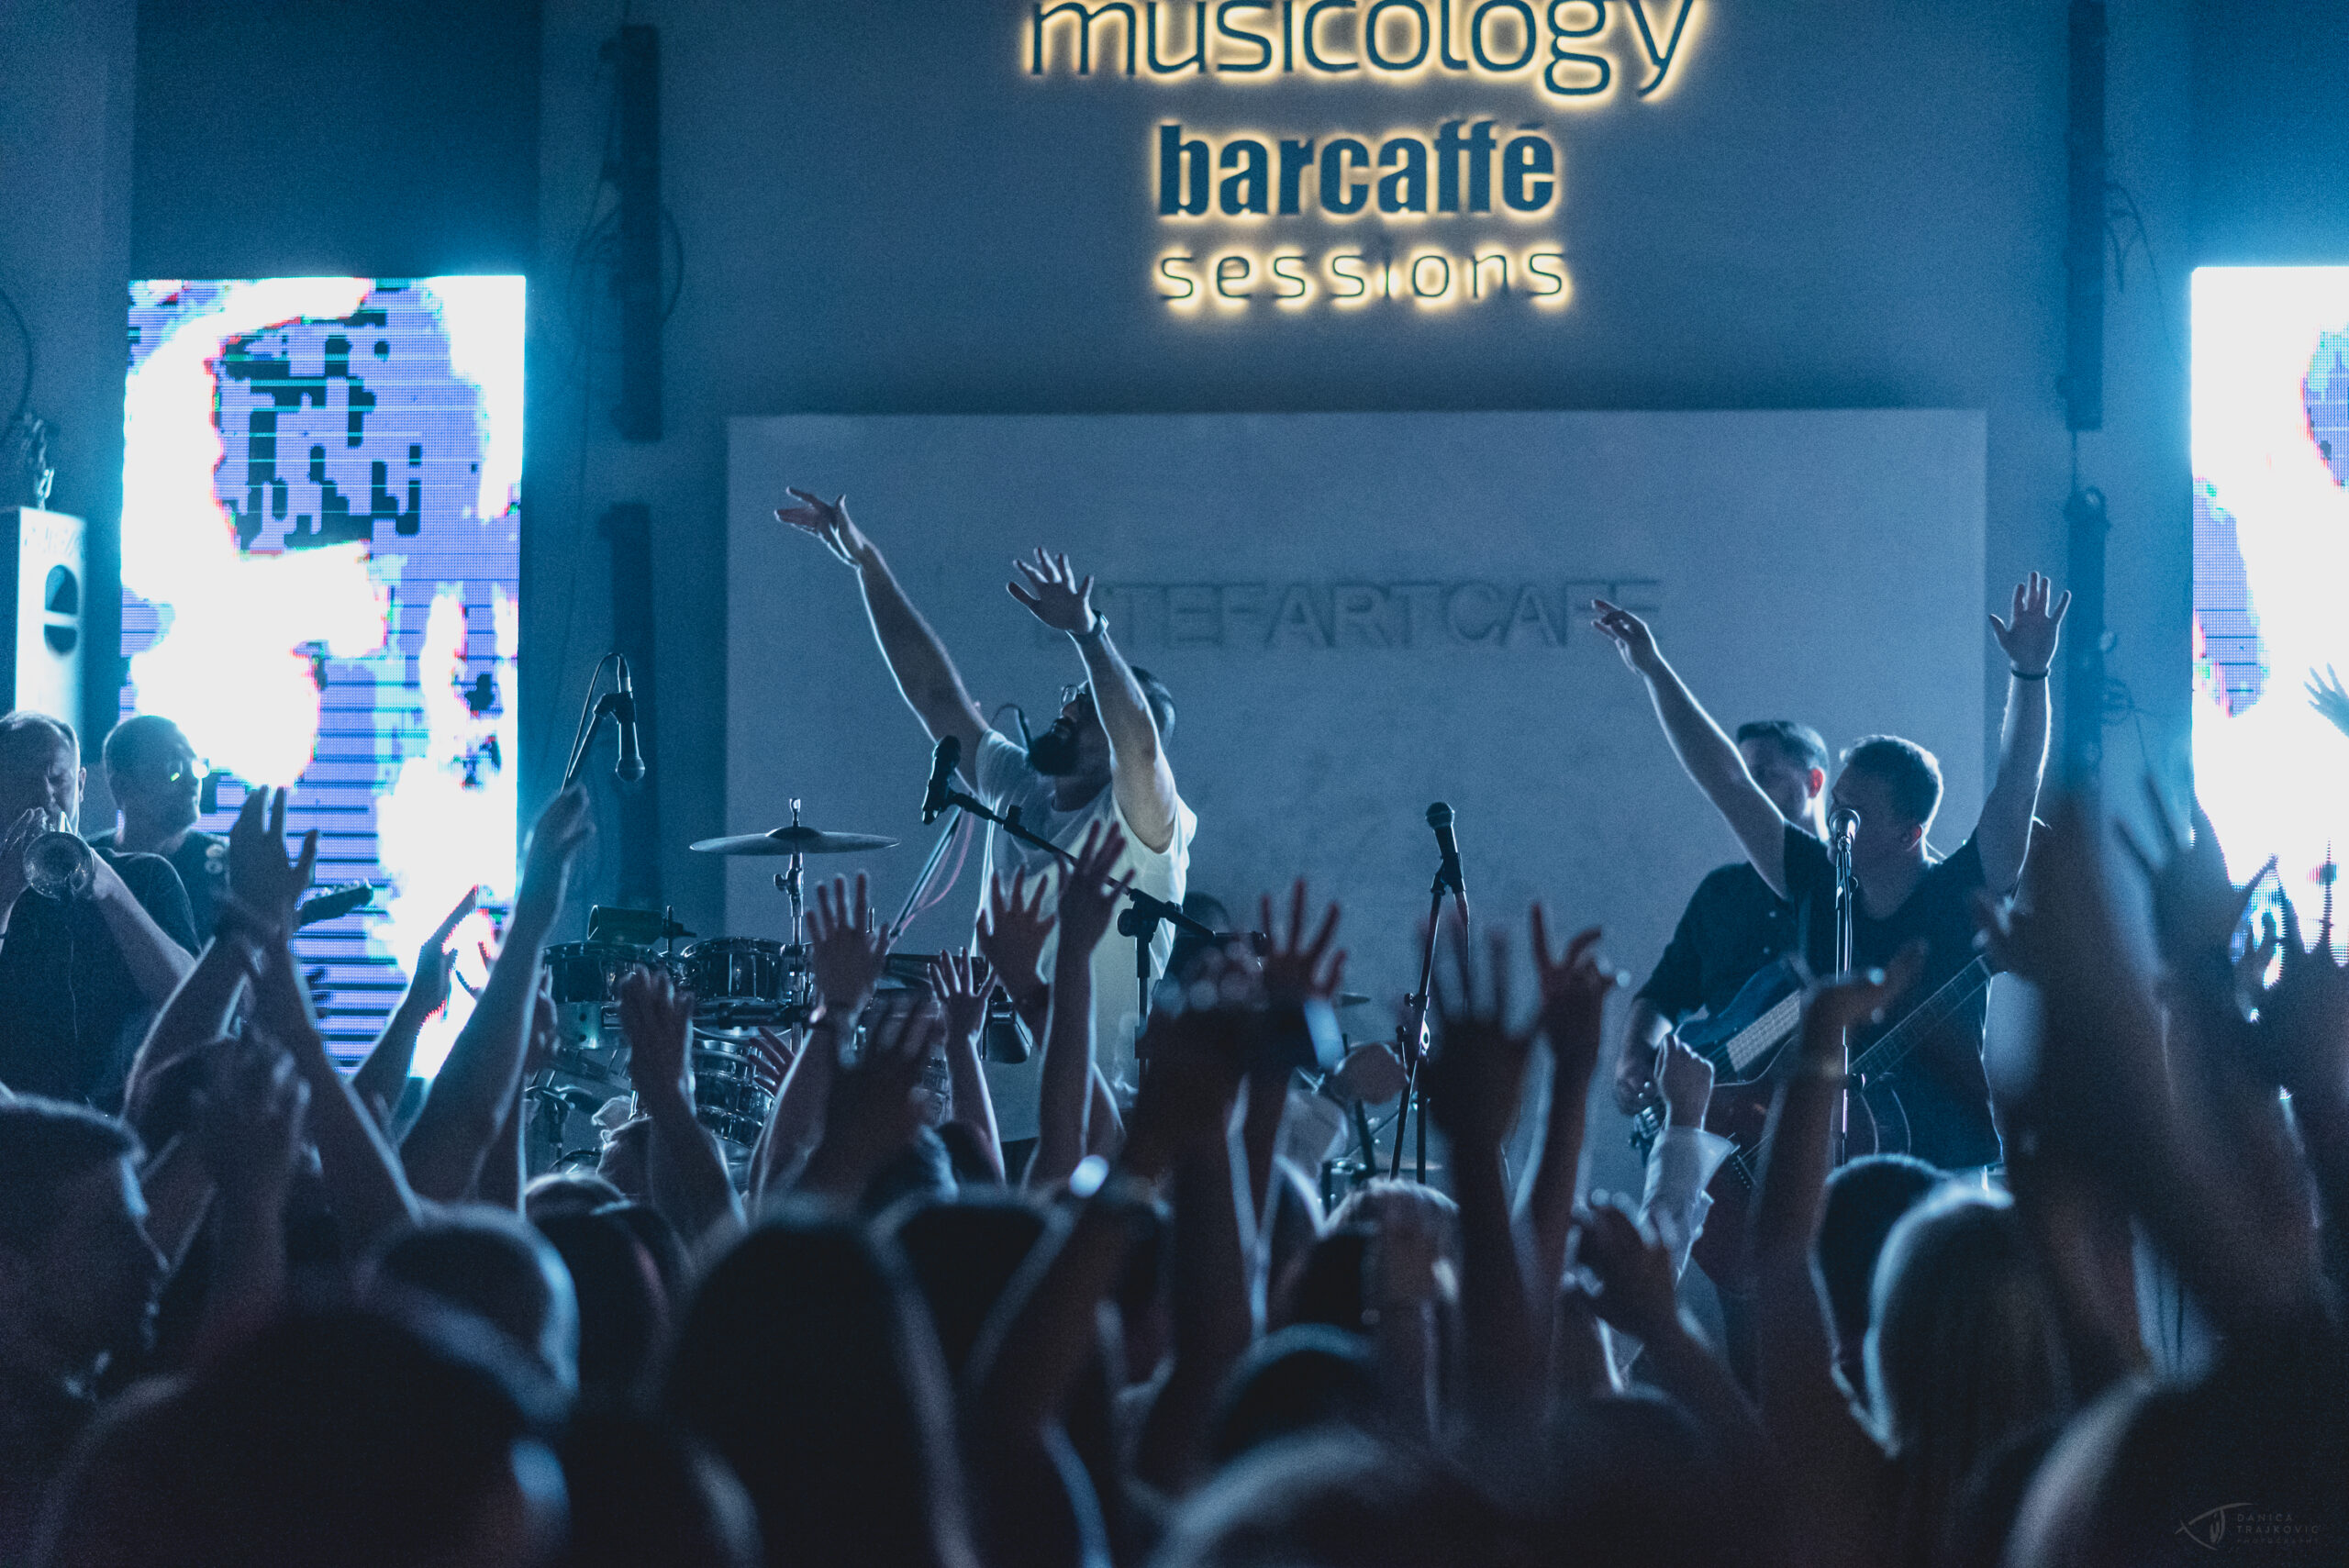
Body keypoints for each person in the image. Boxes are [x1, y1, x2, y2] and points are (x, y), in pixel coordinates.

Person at [1593, 573, 2069, 1170]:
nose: (1836, 820)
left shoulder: (1962, 890)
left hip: (1945, 1168)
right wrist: (1654, 669)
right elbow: (1729, 782)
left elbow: (2018, 784)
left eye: (1855, 813)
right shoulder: (1819, 880)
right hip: (1828, 1170)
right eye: (1836, 803)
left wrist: (2029, 673)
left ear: (1909, 832)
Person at [777, 490, 1195, 1141]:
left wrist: (1088, 634)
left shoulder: (1143, 824)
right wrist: (868, 564)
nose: (1069, 706)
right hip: (979, 1113)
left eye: (1090, 706)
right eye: (1074, 695)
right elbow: (934, 693)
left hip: (1084, 1120)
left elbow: (1140, 743)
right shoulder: (1015, 783)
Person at [1610, 717, 1831, 1117]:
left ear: (1814, 783)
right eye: (1741, 776)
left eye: (1762, 776)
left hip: (1803, 1114)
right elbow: (1664, 993)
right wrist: (1634, 1061)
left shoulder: (1847, 891)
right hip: (1709, 1121)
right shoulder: (1720, 891)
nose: (1745, 791)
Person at [0, 712, 197, 1110]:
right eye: (24, 778)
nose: (44, 795)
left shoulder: (147, 875)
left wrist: (111, 890)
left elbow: (193, 1003)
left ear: (81, 785)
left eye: (57, 778)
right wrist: (4, 899)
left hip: (124, 1127)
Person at [0, 1097, 167, 1558]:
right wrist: (252, 1212)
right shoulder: (43, 1465)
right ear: (7, 1273)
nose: (154, 1260)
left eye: (142, 1229)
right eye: (113, 1235)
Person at [86, 715, 224, 944]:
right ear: (122, 786)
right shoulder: (85, 865)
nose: (193, 780)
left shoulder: (225, 867)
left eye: (195, 765)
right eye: (175, 768)